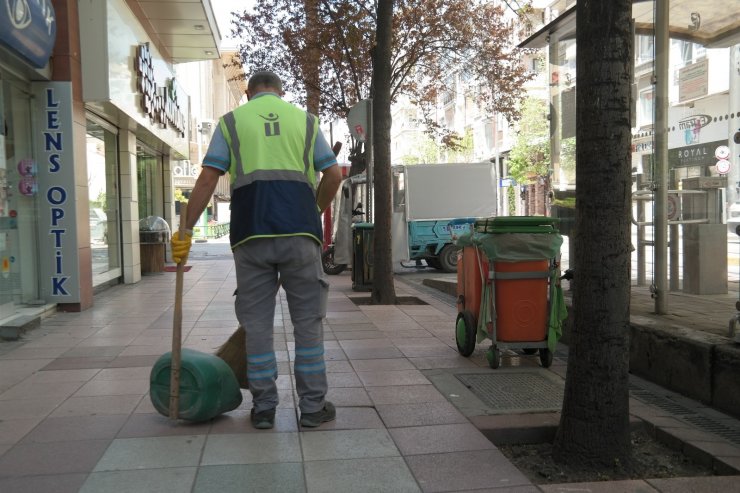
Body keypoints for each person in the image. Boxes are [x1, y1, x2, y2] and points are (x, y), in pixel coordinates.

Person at [171, 71, 342, 430]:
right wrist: (313, 209)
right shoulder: (306, 122)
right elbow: (334, 175)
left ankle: (264, 408)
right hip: (300, 235)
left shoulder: (231, 121)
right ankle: (312, 408)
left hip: (251, 236)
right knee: (308, 324)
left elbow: (207, 178)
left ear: (248, 94)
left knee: (257, 325)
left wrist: (185, 229)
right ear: (281, 92)